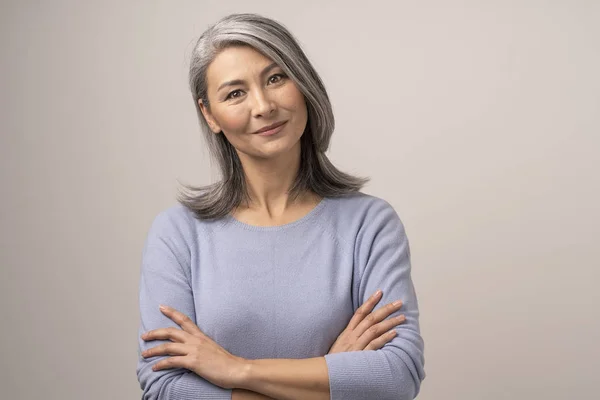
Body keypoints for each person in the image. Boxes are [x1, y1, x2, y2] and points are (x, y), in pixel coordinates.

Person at [136, 13, 426, 400]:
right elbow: (164, 388)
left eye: (276, 78)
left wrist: (235, 370)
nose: (263, 106)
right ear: (210, 115)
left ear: (302, 83)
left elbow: (398, 377)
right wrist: (332, 375)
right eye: (235, 93)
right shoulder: (178, 234)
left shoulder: (370, 225)